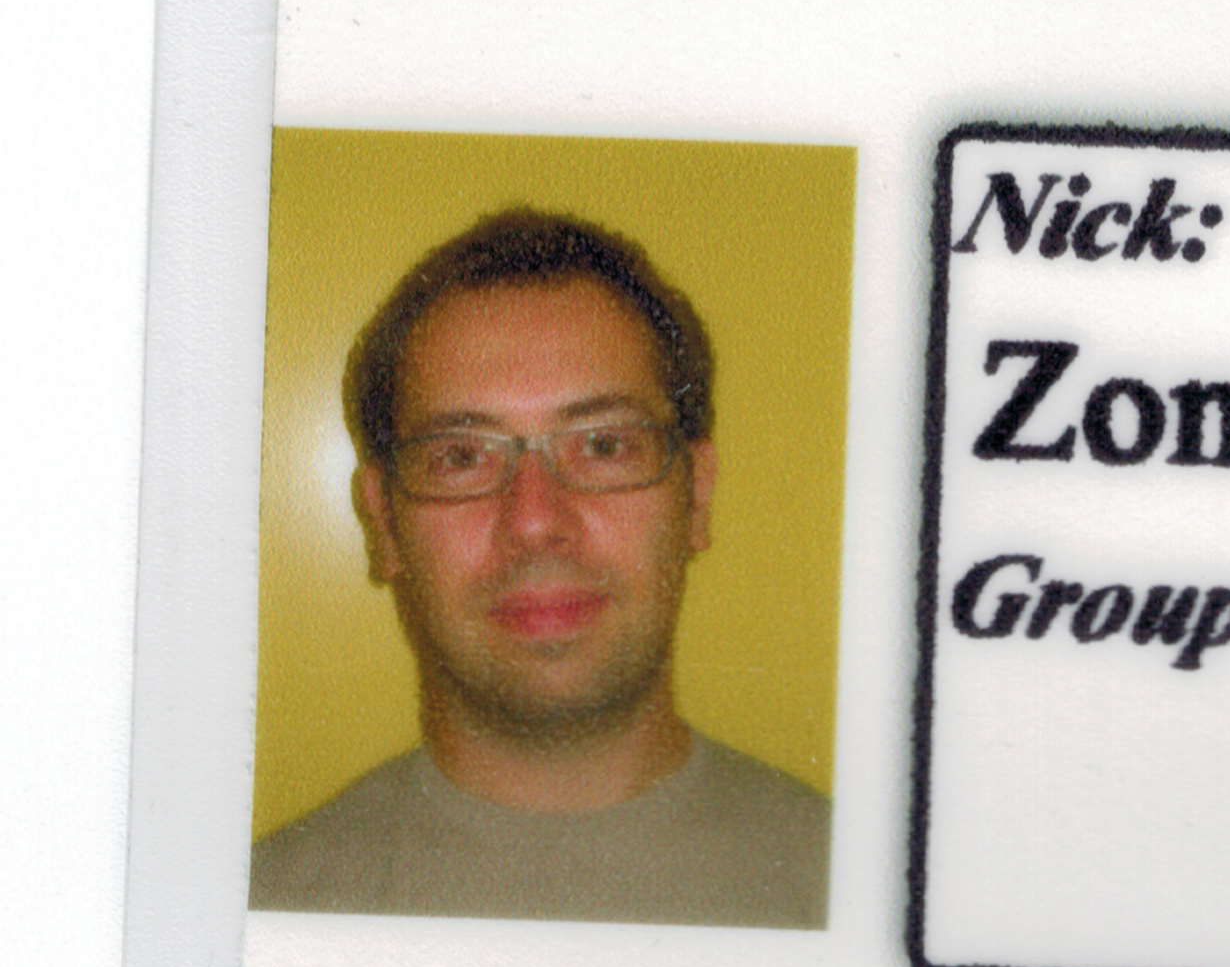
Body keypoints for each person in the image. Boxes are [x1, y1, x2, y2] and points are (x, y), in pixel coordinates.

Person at [250, 207, 831, 928]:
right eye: (461, 456)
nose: (534, 522)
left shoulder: (865, 896)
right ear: (385, 522)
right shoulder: (261, 918)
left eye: (604, 445)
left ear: (698, 495)